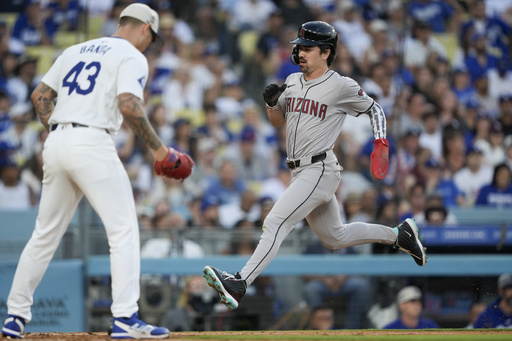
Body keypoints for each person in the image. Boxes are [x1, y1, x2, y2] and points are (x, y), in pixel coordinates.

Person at [203, 21, 427, 312]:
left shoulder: (340, 85)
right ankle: (399, 235)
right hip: (299, 170)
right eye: (299, 47)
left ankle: (240, 282)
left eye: (307, 48)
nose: (300, 53)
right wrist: (272, 105)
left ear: (326, 52)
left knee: (275, 223)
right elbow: (278, 121)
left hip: (319, 168)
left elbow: (375, 109)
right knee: (335, 237)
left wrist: (380, 141)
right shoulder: (294, 81)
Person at [1, 3, 175, 339]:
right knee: (123, 230)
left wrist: (55, 129)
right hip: (93, 141)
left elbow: (40, 95)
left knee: (44, 235)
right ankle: (125, 318)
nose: (149, 45)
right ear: (143, 28)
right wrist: (158, 148)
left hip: (56, 140)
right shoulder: (132, 56)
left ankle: (15, 318)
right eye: (151, 38)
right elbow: (129, 104)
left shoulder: (75, 49)